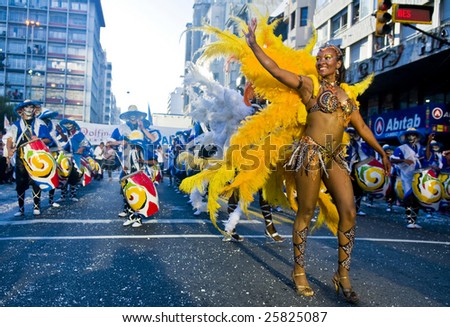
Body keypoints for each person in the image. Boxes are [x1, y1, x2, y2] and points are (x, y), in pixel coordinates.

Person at [244, 18, 390, 303]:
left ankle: (342, 276)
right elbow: (275, 70)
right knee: (306, 212)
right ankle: (299, 271)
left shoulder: (346, 98)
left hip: (335, 158)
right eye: (319, 57)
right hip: (310, 153)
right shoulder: (309, 86)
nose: (321, 61)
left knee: (348, 211)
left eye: (327, 57)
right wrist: (253, 46)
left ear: (338, 63)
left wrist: (382, 152)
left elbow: (361, 128)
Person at [5, 100, 54, 216]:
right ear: (21, 110)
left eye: (31, 106)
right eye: (26, 106)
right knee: (20, 182)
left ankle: (36, 206)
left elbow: (48, 139)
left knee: (36, 181)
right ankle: (21, 209)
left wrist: (38, 139)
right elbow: (9, 139)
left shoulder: (40, 123)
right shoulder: (16, 125)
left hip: (36, 156)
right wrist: (10, 149)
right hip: (21, 157)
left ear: (34, 109)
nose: (29, 109)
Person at [390, 128, 425, 229]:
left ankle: (414, 221)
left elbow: (424, 158)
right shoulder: (401, 148)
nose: (411, 137)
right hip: (406, 176)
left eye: (413, 135)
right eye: (409, 135)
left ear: (417, 137)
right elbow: (392, 159)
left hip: (417, 176)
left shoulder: (419, 147)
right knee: (409, 198)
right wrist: (404, 160)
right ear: (405, 137)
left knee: (417, 199)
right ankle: (409, 220)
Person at [345, 127, 375, 216]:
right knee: (346, 189)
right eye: (349, 133)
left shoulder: (362, 144)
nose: (351, 135)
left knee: (358, 190)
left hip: (359, 169)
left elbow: (371, 156)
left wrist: (360, 163)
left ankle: (356, 208)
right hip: (346, 168)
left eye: (353, 133)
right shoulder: (344, 144)